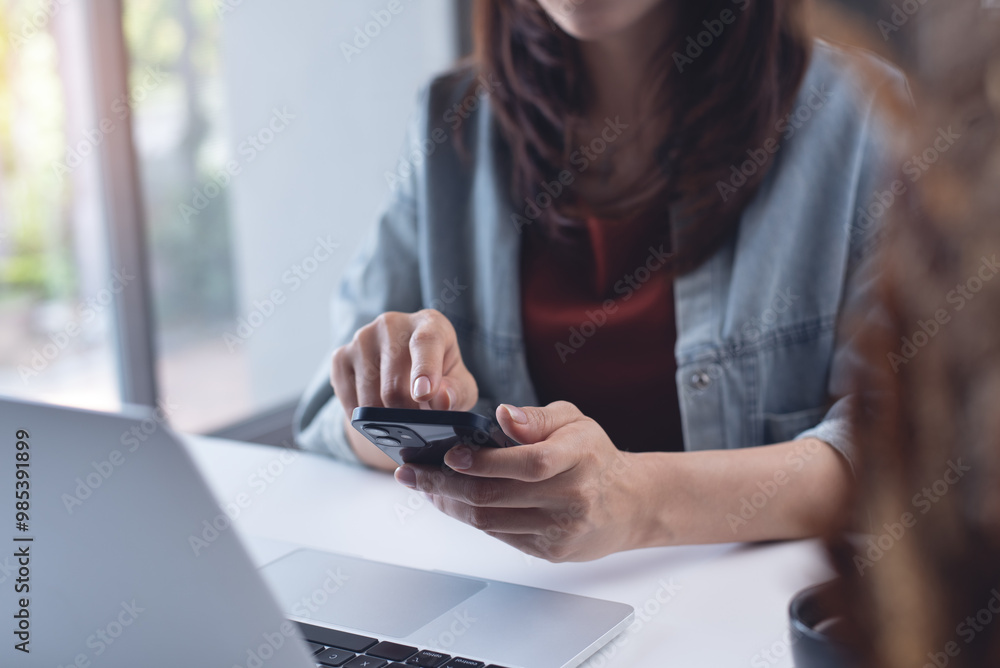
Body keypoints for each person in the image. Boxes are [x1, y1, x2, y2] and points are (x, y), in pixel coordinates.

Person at [295, 0, 907, 561]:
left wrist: (640, 505)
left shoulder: (862, 113)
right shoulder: (452, 118)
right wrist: (406, 400)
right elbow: (329, 416)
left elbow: (915, 449)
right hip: (523, 614)